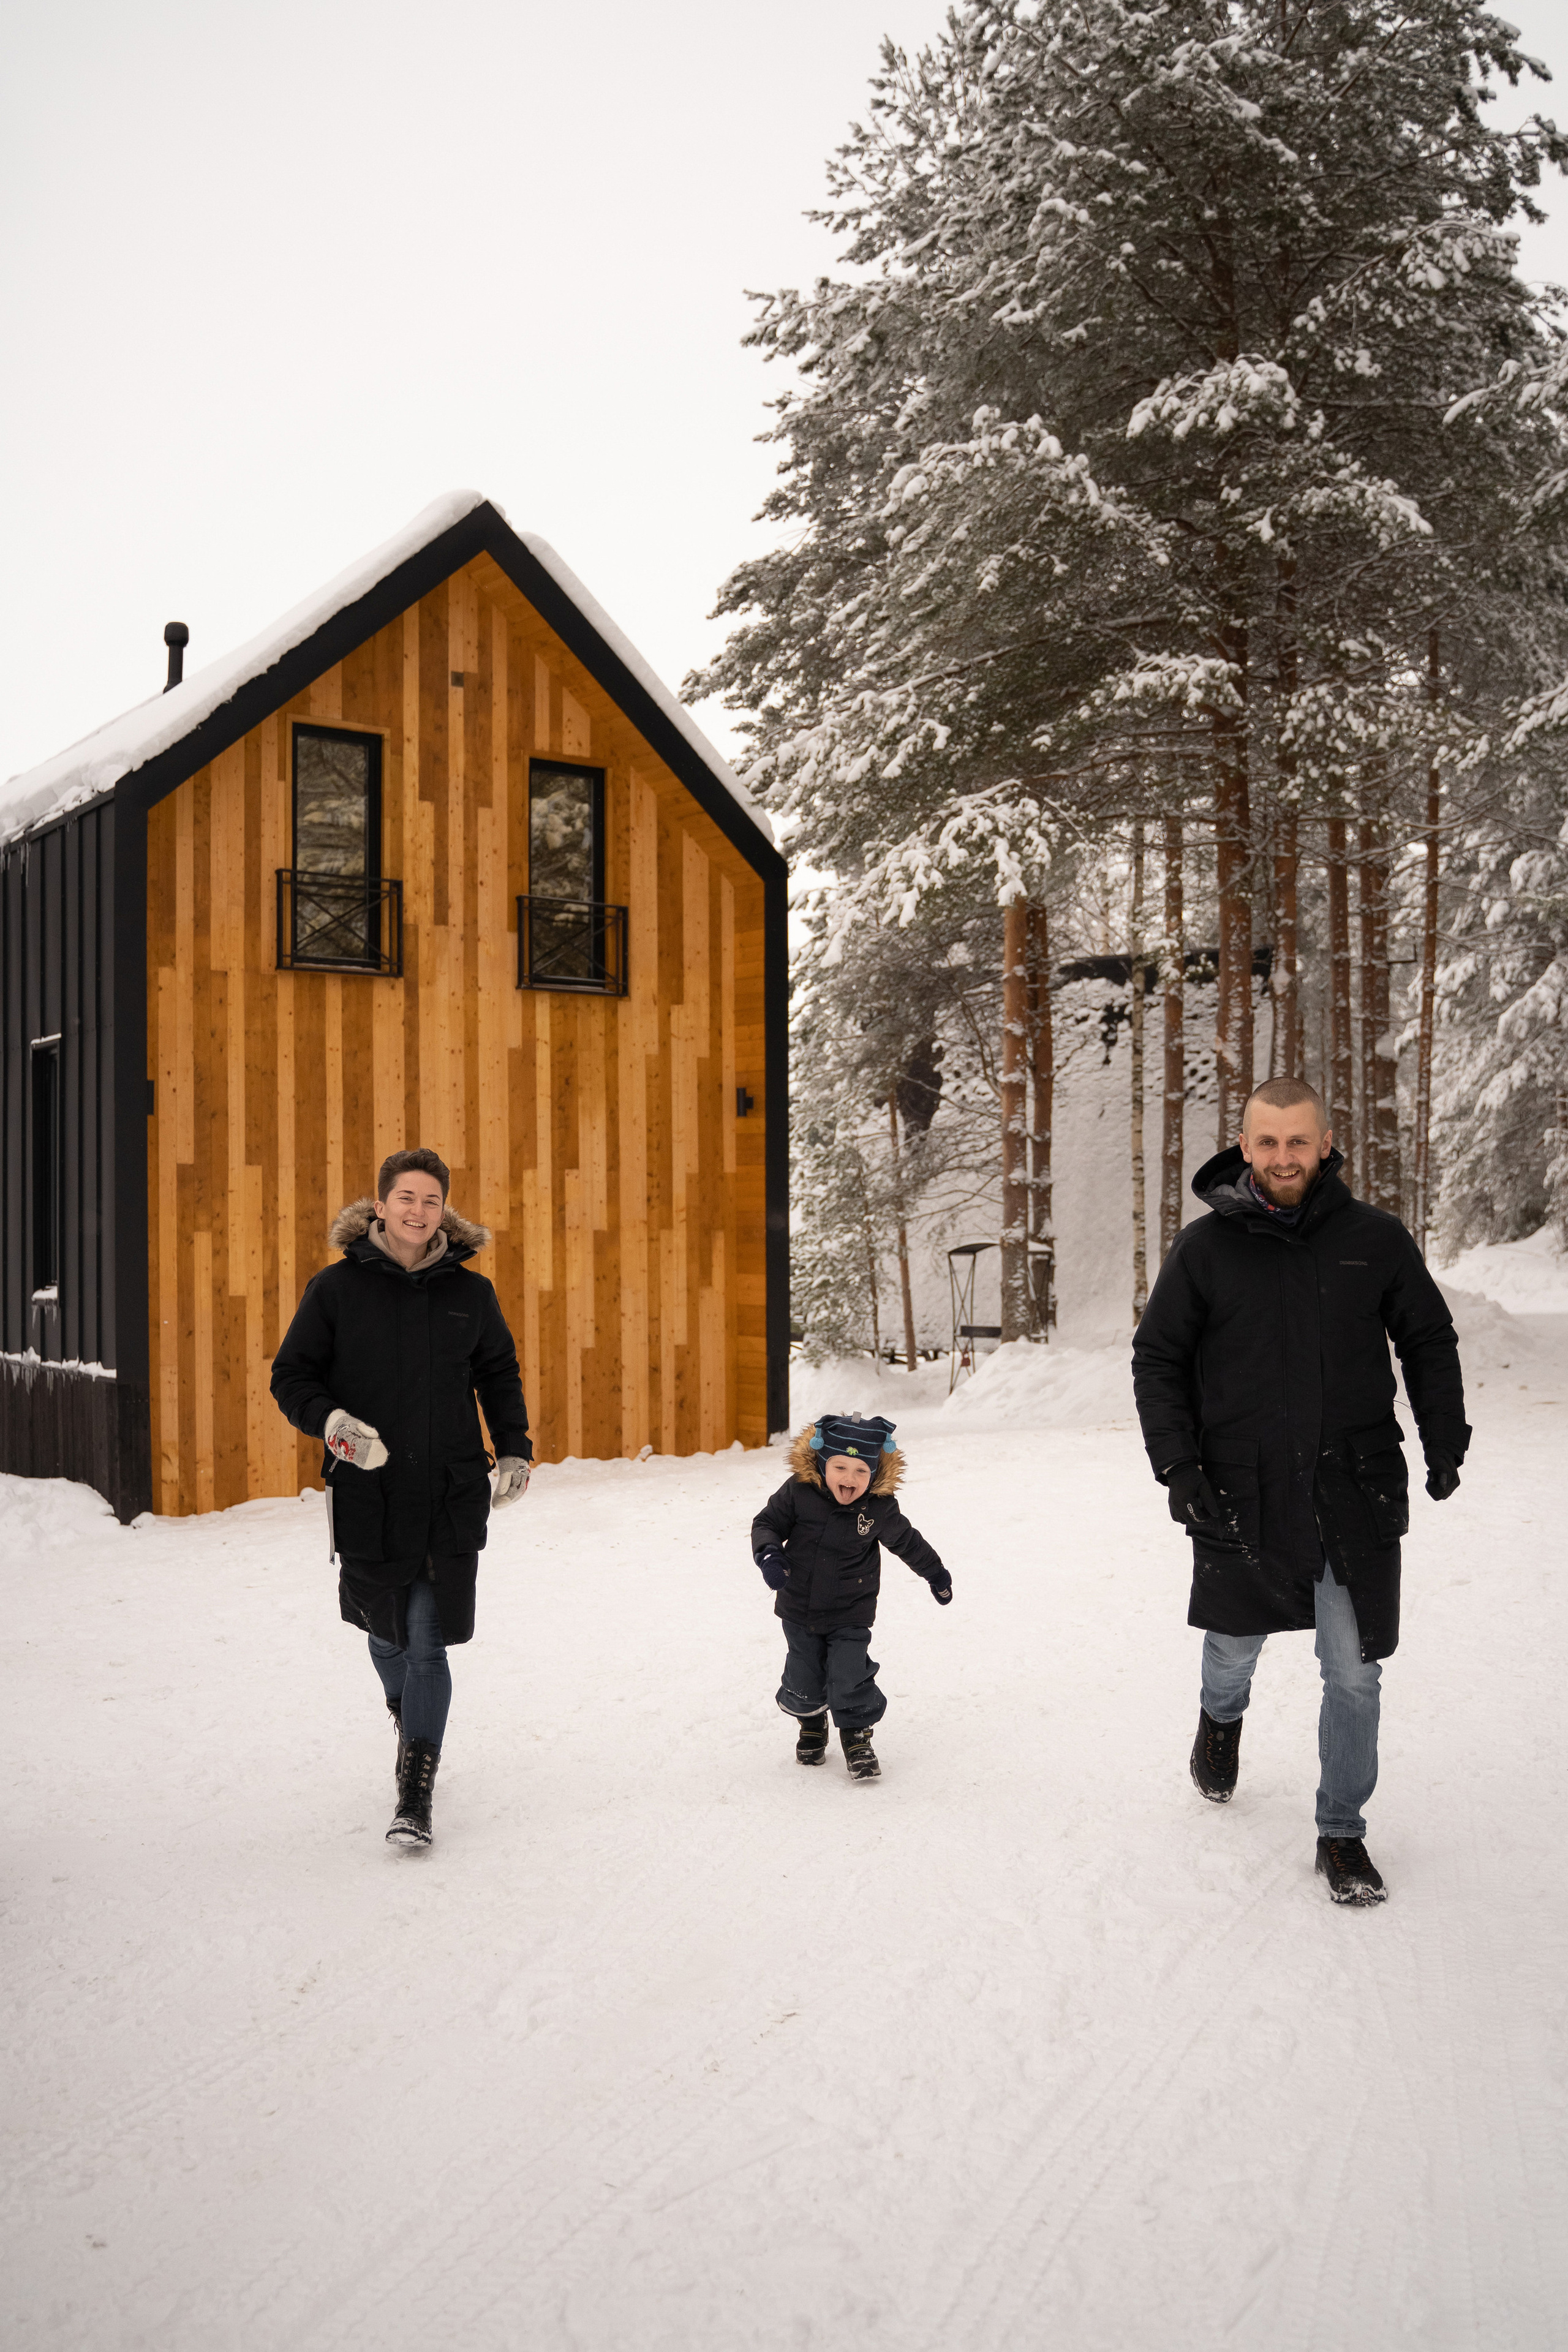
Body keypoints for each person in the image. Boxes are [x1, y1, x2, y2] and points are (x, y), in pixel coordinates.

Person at [1131, 1078, 1469, 1904]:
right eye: (1267, 1142)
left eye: (1297, 1141)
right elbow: (1158, 1359)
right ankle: (1220, 1720)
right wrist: (1178, 1466)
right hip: (1240, 1488)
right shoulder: (1204, 1249)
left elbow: (1426, 1338)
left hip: (1352, 1486)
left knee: (1354, 1673)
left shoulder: (1374, 1239)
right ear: (1244, 1146)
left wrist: (1444, 1433)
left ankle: (1341, 1833)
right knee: (1232, 1648)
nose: (1283, 1157)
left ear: (1324, 1143)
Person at [271, 1147, 532, 1849]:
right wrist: (333, 1424)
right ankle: (407, 1711)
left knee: (426, 1642)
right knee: (384, 1635)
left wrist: (514, 1448)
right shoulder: (336, 1289)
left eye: (431, 1200)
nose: (419, 1211)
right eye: (406, 1198)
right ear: (381, 1205)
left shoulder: (471, 1294)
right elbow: (291, 1376)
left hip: (448, 1492)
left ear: (444, 1210)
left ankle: (415, 1790)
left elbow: (498, 1373)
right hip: (370, 1495)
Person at [750, 1413, 952, 1781]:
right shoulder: (798, 1492)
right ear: (822, 1464)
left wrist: (935, 1573)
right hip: (799, 1605)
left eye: (862, 1471)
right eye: (840, 1467)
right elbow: (767, 1523)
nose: (850, 1478)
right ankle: (812, 1724)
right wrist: (769, 1555)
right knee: (804, 1673)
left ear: (874, 1474)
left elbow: (907, 1542)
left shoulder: (878, 1507)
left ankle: (857, 1736)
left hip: (851, 1609)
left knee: (849, 1672)